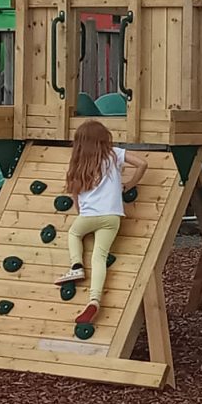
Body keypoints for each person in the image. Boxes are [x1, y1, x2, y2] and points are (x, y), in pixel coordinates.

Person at [55, 120, 148, 325]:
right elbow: (142, 164)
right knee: (100, 257)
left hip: (88, 216)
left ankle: (76, 265)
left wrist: (82, 214)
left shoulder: (78, 163)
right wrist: (129, 184)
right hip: (112, 217)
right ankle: (94, 300)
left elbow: (76, 198)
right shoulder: (114, 154)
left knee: (74, 234)